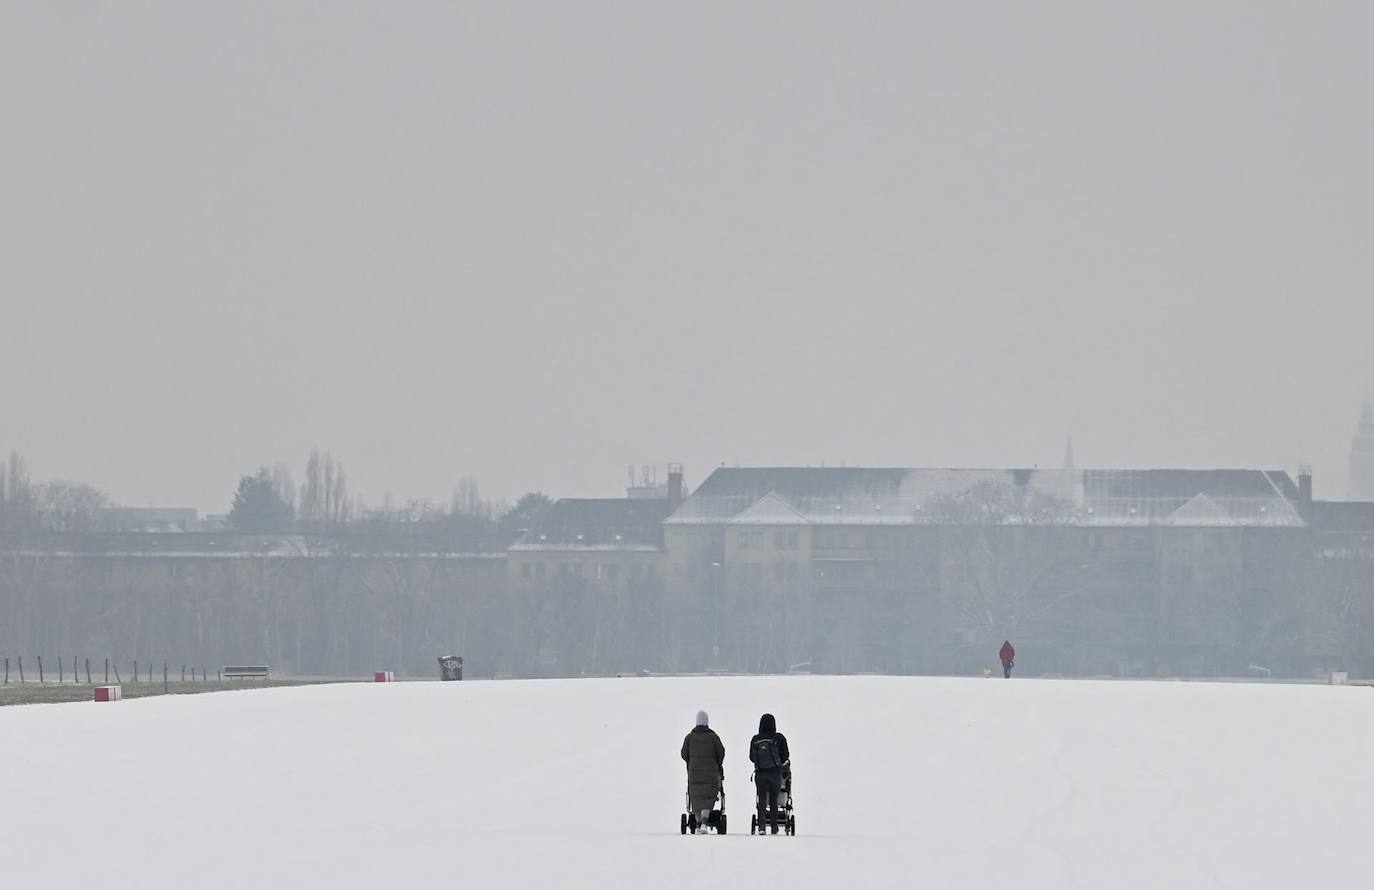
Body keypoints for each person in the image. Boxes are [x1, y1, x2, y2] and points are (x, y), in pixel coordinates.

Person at [681, 710, 725, 829]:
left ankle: (698, 822)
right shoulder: (714, 737)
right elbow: (721, 753)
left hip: (694, 773)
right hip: (711, 773)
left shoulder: (689, 738)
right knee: (708, 796)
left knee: (696, 797)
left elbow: (684, 754)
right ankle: (705, 821)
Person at [749, 712, 790, 835]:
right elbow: (786, 756)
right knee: (773, 800)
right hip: (775, 773)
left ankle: (761, 827)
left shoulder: (755, 739)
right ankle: (774, 827)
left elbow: (752, 757)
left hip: (761, 773)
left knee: (762, 800)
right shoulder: (779, 738)